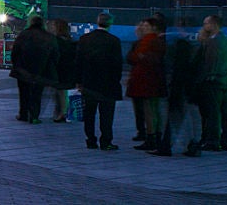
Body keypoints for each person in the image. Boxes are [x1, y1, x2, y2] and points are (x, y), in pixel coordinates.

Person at [75, 13, 124, 150]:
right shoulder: (114, 41)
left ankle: (91, 139)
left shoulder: (85, 39)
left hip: (89, 82)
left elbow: (79, 61)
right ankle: (106, 140)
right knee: (107, 115)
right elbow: (117, 64)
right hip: (108, 84)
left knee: (89, 114)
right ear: (110, 23)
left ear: (97, 22)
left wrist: (79, 80)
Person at [194, 14, 227, 151]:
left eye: (206, 23)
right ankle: (226, 139)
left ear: (213, 24)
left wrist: (202, 79)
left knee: (212, 112)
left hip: (212, 81)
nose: (204, 26)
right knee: (224, 112)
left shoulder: (212, 42)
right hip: (223, 81)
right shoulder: (226, 41)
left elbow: (208, 64)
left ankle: (212, 140)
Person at [127, 16, 167, 150]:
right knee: (149, 109)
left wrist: (140, 57)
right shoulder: (147, 41)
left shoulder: (152, 41)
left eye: (146, 26)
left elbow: (139, 57)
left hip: (147, 81)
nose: (143, 28)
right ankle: (152, 135)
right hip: (146, 80)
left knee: (150, 110)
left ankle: (152, 136)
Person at [10, 15, 57, 124]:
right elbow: (55, 55)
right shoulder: (49, 37)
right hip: (41, 71)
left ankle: (23, 114)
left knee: (23, 93)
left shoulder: (23, 35)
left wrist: (16, 65)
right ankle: (34, 116)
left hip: (23, 70)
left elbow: (15, 52)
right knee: (37, 94)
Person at [165, 28, 201, 156]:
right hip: (190, 94)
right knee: (191, 120)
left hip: (180, 95)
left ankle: (172, 144)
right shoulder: (192, 63)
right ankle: (193, 144)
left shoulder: (178, 67)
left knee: (178, 120)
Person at [49, 19, 78, 122]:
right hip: (69, 70)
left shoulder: (56, 41)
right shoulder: (71, 41)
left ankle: (62, 113)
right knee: (63, 92)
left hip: (59, 70)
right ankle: (63, 112)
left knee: (60, 92)